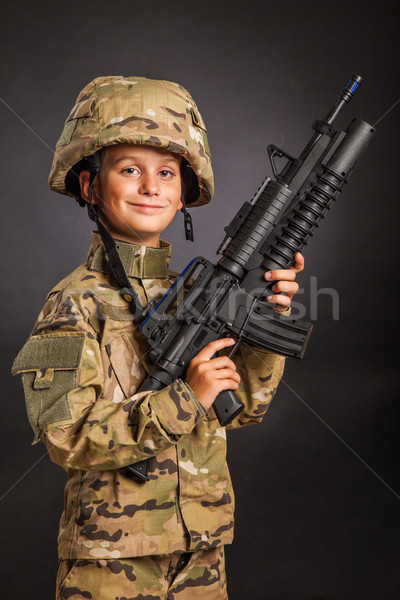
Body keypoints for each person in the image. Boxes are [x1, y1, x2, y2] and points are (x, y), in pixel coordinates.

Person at [12, 76, 304, 600]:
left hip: (202, 554)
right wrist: (182, 399)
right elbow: (66, 436)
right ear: (89, 187)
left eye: (167, 173)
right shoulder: (73, 303)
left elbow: (245, 406)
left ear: (184, 194)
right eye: (129, 170)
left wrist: (263, 320)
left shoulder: (194, 290)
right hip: (110, 562)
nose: (152, 187)